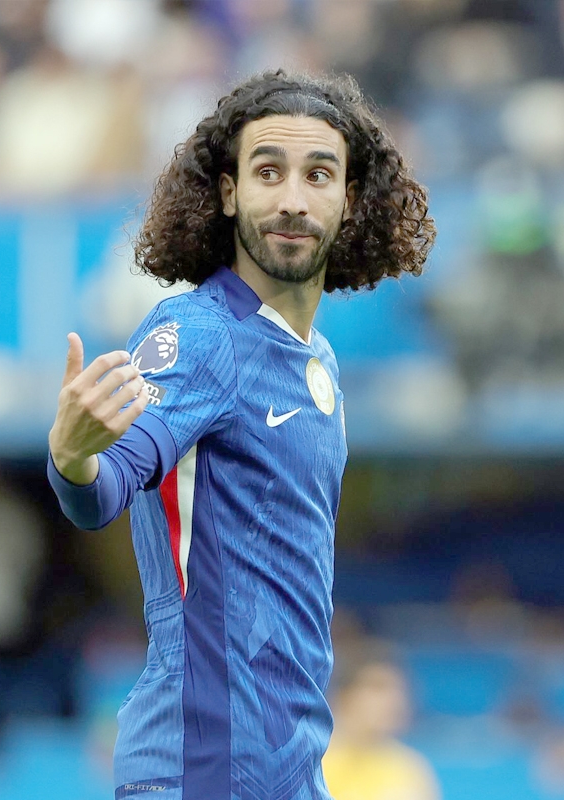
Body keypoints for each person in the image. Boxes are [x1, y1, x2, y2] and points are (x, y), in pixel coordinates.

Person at [47, 69, 434, 799]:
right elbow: (107, 486)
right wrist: (73, 460)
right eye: (268, 172)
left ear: (349, 199)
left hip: (290, 770)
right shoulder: (198, 334)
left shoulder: (319, 361)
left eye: (318, 174)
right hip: (199, 768)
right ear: (228, 193)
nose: (292, 199)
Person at [320, 639, 440, 800]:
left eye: (399, 690)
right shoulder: (315, 762)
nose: (393, 700)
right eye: (378, 687)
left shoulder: (411, 770)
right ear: (345, 696)